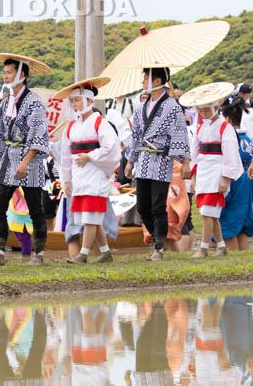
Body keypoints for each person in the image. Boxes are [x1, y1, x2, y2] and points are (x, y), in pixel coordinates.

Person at [0, 54, 51, 266]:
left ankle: (39, 253)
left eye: (9, 72)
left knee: (35, 208)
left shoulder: (34, 103)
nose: (5, 76)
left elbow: (39, 134)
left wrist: (25, 161)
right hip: (6, 159)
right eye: (4, 73)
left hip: (29, 162)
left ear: (21, 74)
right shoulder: (4, 105)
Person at [124, 65, 190, 261]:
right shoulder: (141, 108)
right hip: (143, 160)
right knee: (143, 205)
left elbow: (180, 133)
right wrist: (129, 161)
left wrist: (185, 161)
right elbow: (135, 136)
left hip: (161, 159)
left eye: (146, 79)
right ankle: (156, 239)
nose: (143, 82)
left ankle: (159, 247)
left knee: (158, 205)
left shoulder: (172, 106)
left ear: (157, 81)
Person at [58, 78, 119, 264]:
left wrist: (90, 156)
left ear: (89, 101)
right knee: (90, 215)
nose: (75, 104)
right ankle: (105, 252)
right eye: (72, 101)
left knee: (91, 215)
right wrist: (66, 180)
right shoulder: (71, 126)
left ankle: (83, 254)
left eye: (78, 100)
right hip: (79, 175)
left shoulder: (101, 123)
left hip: (95, 173)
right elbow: (65, 156)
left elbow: (112, 148)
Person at [182, 83, 242, 258]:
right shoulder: (201, 128)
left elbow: (231, 153)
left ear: (216, 108)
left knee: (208, 211)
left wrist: (225, 178)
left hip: (217, 172)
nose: (203, 113)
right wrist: (193, 177)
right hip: (204, 172)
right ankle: (221, 246)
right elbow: (194, 154)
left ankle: (203, 248)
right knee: (209, 212)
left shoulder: (225, 128)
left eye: (207, 110)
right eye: (201, 111)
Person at [220, 95, 253, 250]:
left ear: (227, 119)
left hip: (235, 182)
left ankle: (232, 255)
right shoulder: (248, 139)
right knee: (244, 223)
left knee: (229, 221)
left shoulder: (231, 139)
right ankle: (242, 254)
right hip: (248, 181)